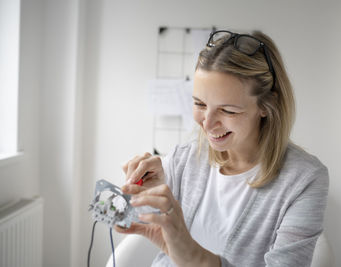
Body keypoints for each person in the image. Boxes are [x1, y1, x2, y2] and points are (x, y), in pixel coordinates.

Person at [116, 30, 329, 267]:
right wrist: (139, 193)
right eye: (199, 104)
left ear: (267, 106)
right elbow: (130, 220)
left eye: (228, 110)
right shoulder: (185, 158)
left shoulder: (304, 180)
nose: (207, 124)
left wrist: (195, 259)